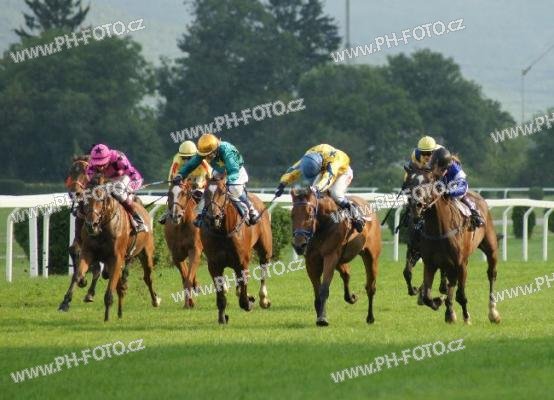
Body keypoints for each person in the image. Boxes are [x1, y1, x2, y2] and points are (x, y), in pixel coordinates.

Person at [172, 133, 260, 227]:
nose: (207, 157)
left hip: (236, 171)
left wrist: (226, 181)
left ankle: (252, 210)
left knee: (233, 188)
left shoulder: (227, 150)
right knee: (210, 188)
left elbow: (233, 170)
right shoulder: (205, 150)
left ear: (215, 148)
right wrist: (181, 174)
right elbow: (192, 163)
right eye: (205, 155)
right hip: (219, 170)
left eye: (209, 154)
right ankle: (201, 214)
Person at [274, 143, 365, 233]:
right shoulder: (308, 157)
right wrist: (282, 185)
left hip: (342, 172)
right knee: (313, 196)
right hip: (324, 169)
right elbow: (293, 170)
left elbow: (328, 178)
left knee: (335, 194)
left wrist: (316, 188)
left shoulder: (334, 161)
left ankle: (357, 216)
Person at [86, 143, 148, 232]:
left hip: (122, 178)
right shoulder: (91, 165)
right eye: (98, 165)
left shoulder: (119, 158)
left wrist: (132, 187)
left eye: (103, 164)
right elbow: (90, 182)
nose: (101, 168)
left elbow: (134, 174)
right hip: (105, 181)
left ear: (108, 158)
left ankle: (138, 220)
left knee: (119, 192)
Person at [428, 147, 484, 227]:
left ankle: (475, 213)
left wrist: (449, 192)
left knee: (460, 196)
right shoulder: (434, 166)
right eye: (433, 167)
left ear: (444, 168)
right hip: (442, 186)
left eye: (436, 168)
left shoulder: (456, 171)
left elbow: (462, 187)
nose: (434, 170)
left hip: (456, 189)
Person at [159, 141, 212, 224]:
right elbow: (172, 175)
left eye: (189, 158)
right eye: (184, 158)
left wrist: (199, 184)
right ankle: (168, 212)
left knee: (200, 194)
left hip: (200, 178)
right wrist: (172, 186)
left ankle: (206, 214)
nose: (186, 161)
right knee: (174, 194)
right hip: (184, 176)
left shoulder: (202, 161)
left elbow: (209, 177)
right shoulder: (177, 160)